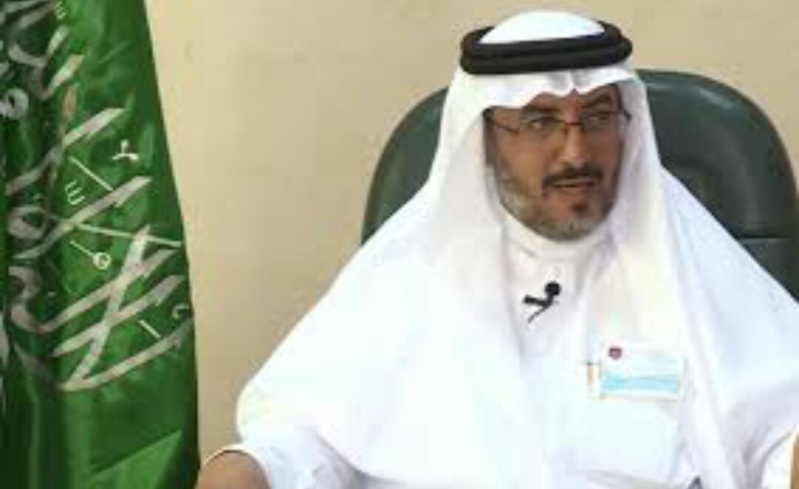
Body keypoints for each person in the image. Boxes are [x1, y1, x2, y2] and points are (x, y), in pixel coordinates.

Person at [197, 10, 799, 488]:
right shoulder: (411, 269)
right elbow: (306, 440)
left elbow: (781, 428)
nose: (575, 153)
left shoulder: (691, 259)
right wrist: (247, 471)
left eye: (596, 118)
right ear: (484, 137)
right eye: (540, 122)